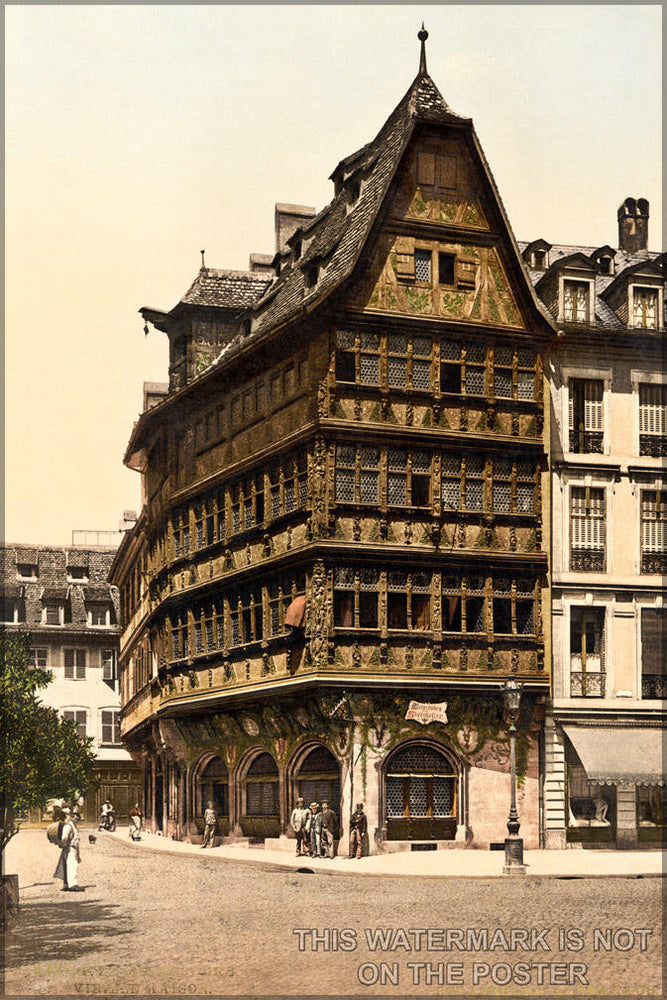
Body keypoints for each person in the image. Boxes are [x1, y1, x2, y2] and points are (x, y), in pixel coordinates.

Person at [53, 807, 83, 892]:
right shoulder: (68, 826)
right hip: (69, 848)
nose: (76, 818)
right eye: (74, 816)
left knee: (66, 865)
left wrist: (78, 854)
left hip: (73, 848)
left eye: (77, 817)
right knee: (71, 865)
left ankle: (66, 884)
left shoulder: (74, 827)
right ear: (70, 816)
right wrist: (62, 844)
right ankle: (72, 884)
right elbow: (64, 838)